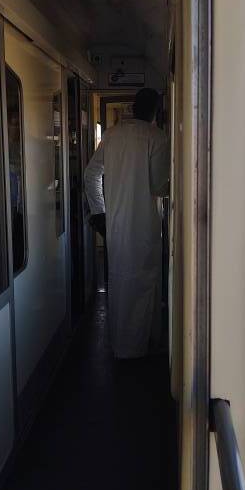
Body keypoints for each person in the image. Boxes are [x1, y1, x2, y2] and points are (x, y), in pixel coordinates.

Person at [84, 88, 169, 359]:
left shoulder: (112, 134)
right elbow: (158, 185)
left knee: (119, 283)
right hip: (144, 226)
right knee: (144, 284)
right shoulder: (156, 137)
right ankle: (140, 346)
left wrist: (100, 211)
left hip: (116, 225)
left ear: (133, 107)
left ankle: (120, 344)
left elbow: (91, 174)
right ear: (156, 111)